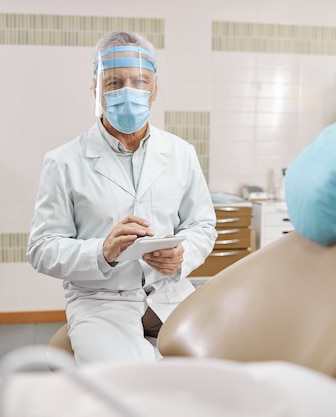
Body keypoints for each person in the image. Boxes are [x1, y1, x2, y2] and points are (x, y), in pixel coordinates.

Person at [26, 31, 217, 365]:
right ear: (97, 90)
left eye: (139, 81)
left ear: (154, 88)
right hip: (101, 301)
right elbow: (42, 249)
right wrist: (102, 251)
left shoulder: (181, 153)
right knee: (126, 387)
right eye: (114, 83)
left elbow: (202, 224)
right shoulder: (63, 161)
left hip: (169, 293)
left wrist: (182, 254)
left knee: (211, 375)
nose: (128, 92)